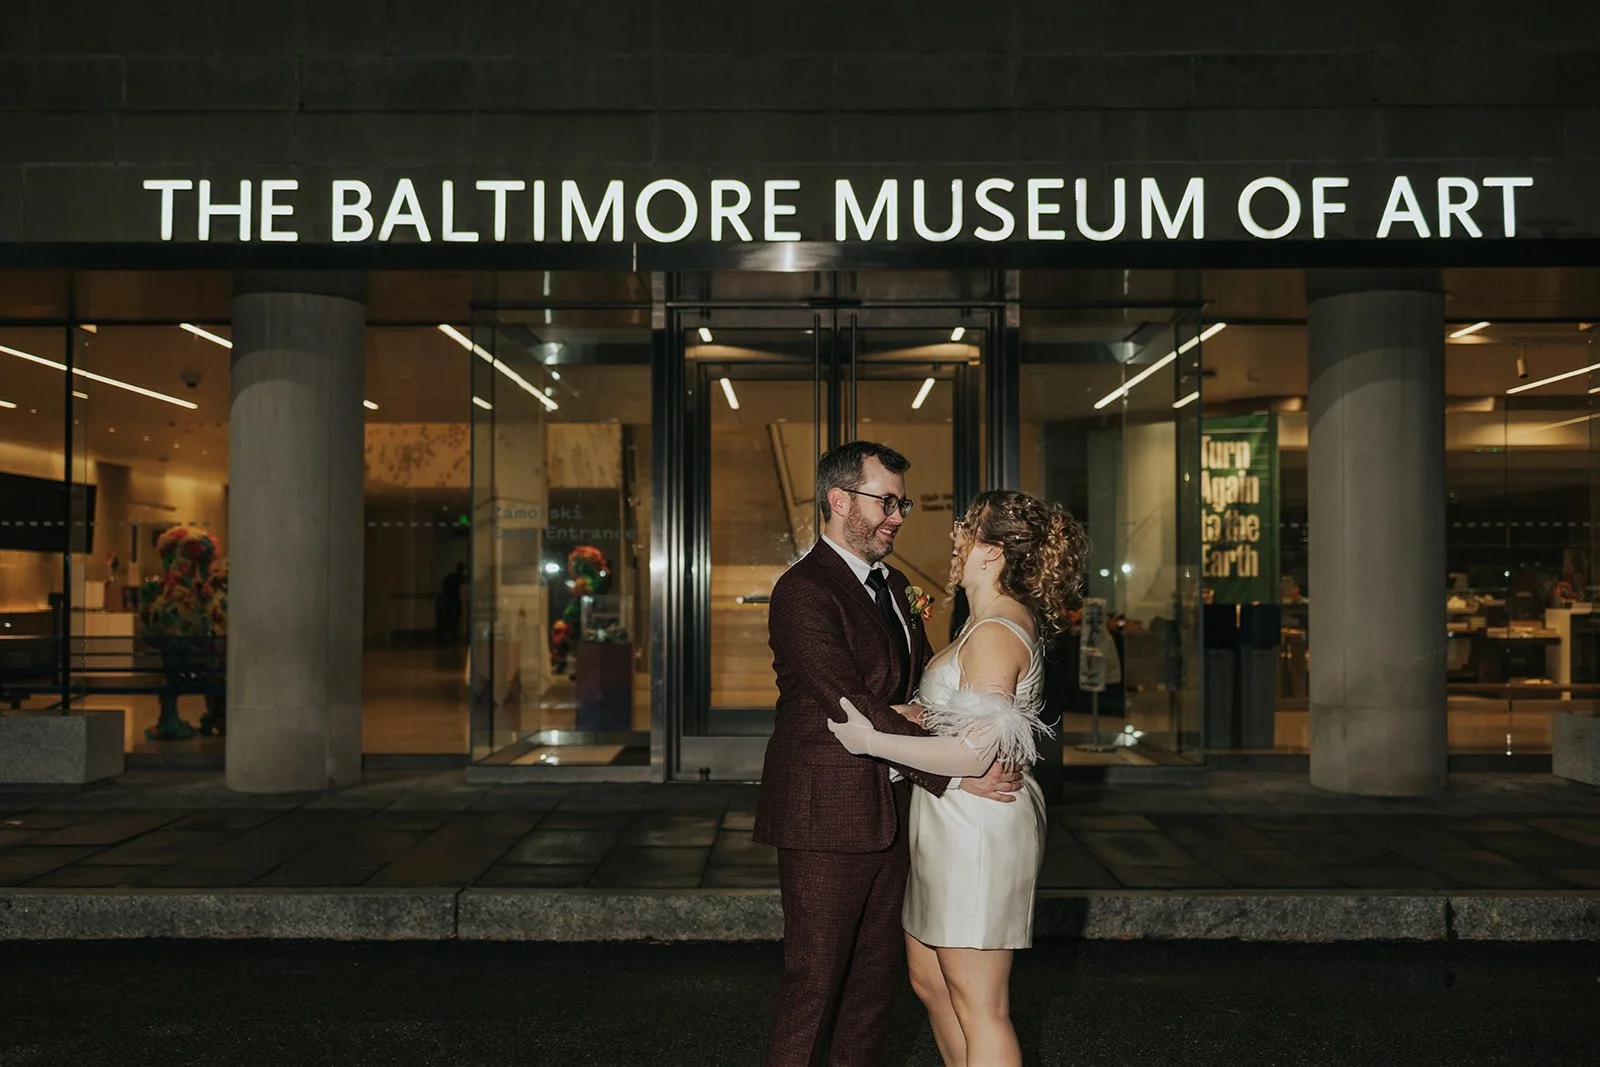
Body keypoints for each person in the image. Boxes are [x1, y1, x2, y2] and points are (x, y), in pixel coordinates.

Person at [753, 442, 1023, 1067]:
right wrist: (955, 773)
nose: (899, 516)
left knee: (873, 994)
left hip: (894, 813)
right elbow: (848, 703)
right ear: (839, 500)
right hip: (826, 817)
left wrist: (924, 724)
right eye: (887, 502)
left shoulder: (897, 585)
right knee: (814, 987)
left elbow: (915, 692)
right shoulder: (802, 591)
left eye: (901, 503)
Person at [828, 489, 1090, 1067]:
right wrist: (900, 715)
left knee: (980, 1003)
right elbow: (953, 717)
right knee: (931, 982)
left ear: (992, 552)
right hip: (947, 825)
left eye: (967, 529)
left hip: (978, 832)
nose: (956, 539)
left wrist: (870, 741)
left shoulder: (998, 632)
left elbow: (975, 754)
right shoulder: (982, 623)